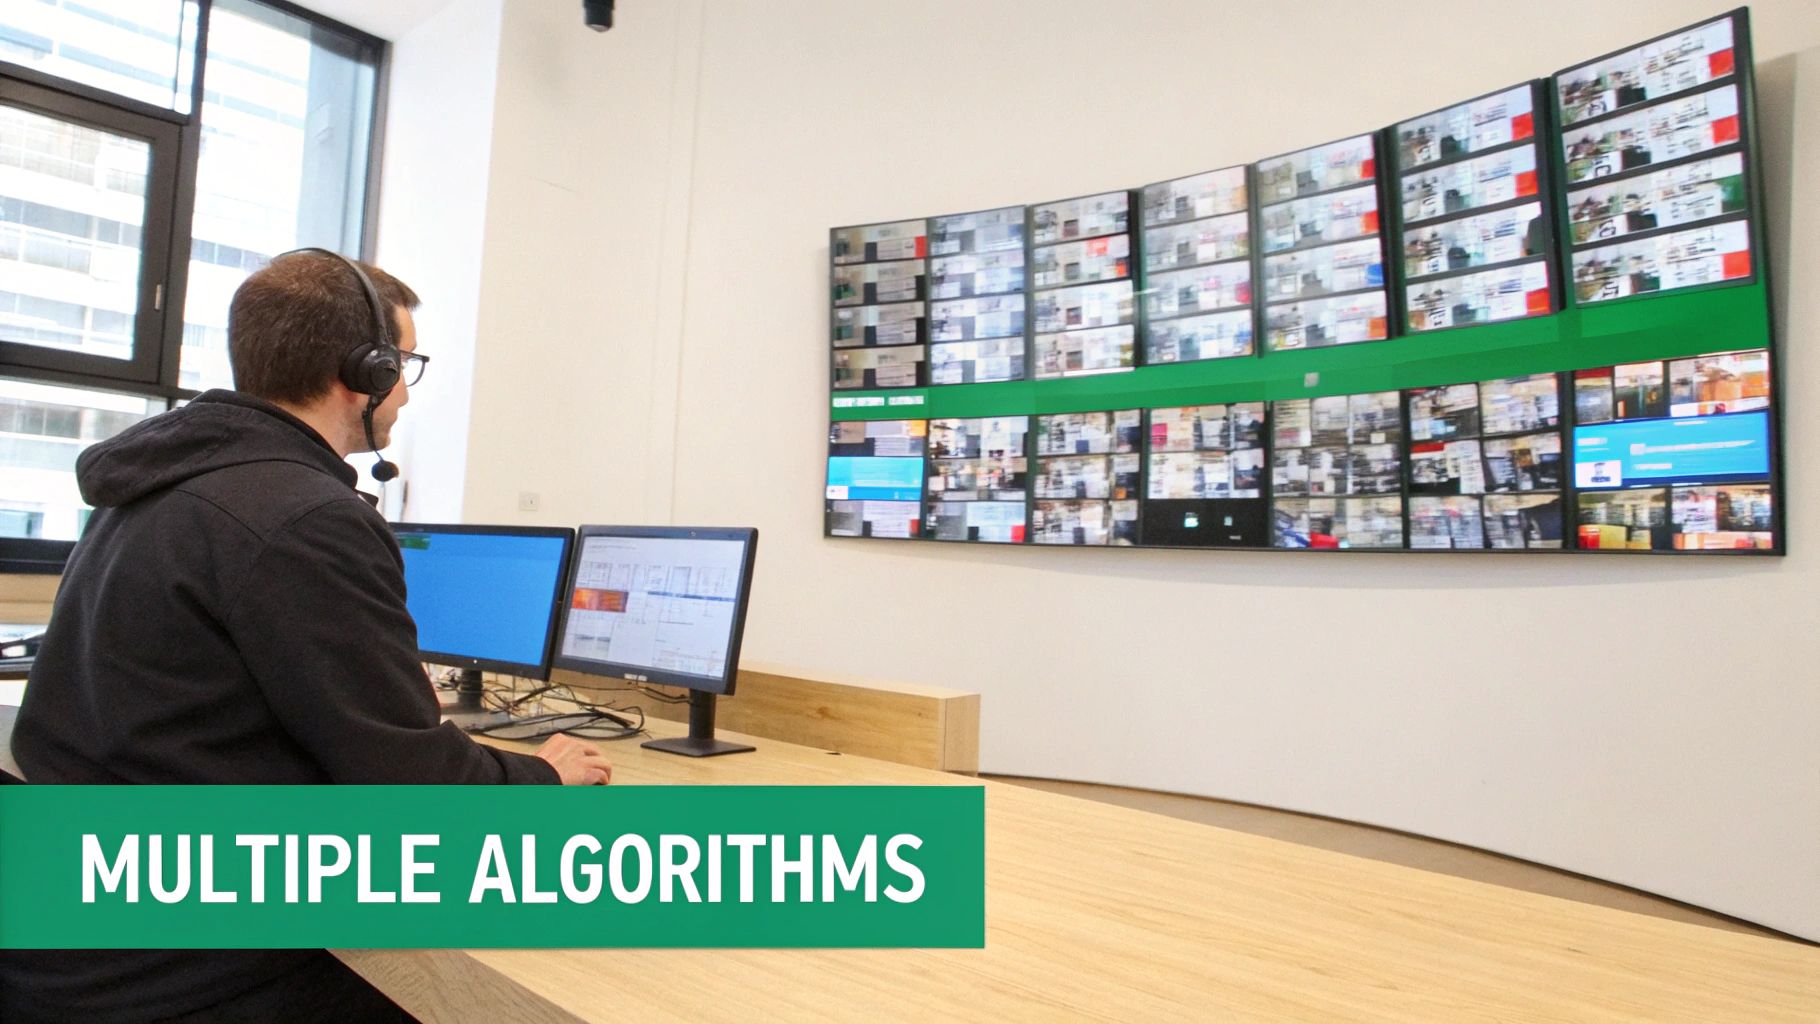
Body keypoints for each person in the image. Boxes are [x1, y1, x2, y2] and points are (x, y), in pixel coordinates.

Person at [0, 250, 614, 1024]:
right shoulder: (305, 516)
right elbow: (413, 789)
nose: (404, 395)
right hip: (176, 966)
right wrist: (544, 776)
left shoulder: (153, 486)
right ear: (363, 368)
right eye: (405, 364)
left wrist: (370, 694)